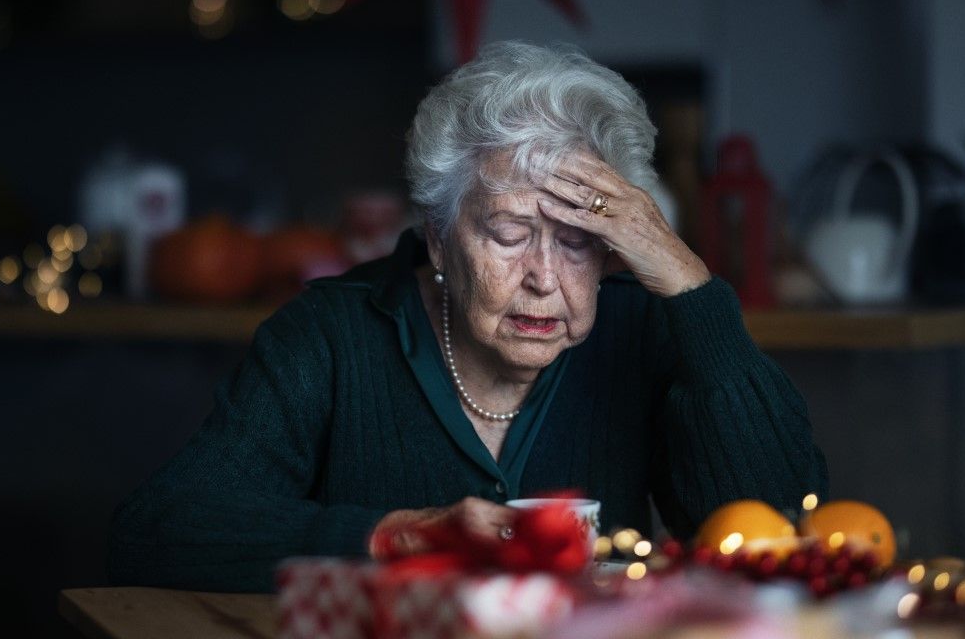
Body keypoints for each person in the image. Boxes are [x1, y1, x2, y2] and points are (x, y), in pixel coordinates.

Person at [108, 41, 828, 592]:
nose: (545, 277)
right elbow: (159, 532)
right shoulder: (330, 335)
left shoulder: (643, 328)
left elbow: (783, 532)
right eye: (510, 234)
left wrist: (689, 284)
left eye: (579, 241)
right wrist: (399, 536)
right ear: (439, 233)